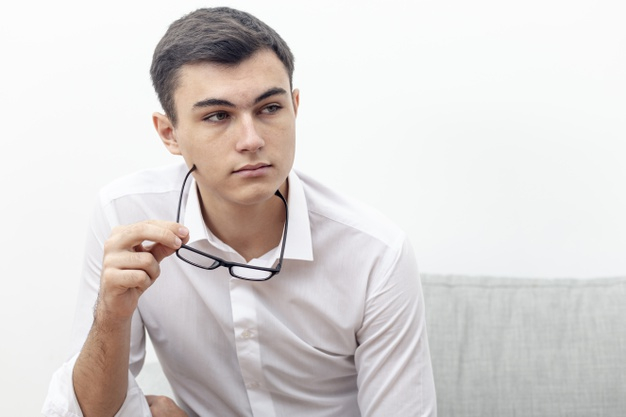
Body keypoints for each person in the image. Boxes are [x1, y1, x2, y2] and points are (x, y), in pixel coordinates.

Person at [42, 6, 436, 417]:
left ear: (295, 107)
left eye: (269, 109)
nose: (251, 140)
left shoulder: (376, 252)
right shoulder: (126, 215)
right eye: (218, 116)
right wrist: (110, 316)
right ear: (169, 134)